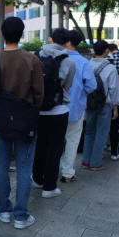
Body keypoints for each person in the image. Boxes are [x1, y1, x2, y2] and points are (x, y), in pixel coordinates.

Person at [0, 17, 44, 227]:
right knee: (24, 167)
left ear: (2, 33)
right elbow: (39, 94)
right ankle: (21, 215)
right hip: (26, 122)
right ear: (21, 33)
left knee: (0, 167)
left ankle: (3, 210)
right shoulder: (32, 60)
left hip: (0, 122)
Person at [33, 28, 76, 198]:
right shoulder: (70, 62)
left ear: (50, 39)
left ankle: (37, 179)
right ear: (67, 43)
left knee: (39, 145)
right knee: (55, 148)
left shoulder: (35, 56)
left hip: (37, 110)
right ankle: (49, 187)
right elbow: (67, 87)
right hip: (58, 111)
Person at [60, 30, 97, 183]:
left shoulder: (57, 58)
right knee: (72, 140)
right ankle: (67, 172)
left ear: (67, 41)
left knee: (54, 141)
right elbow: (91, 86)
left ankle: (48, 171)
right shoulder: (83, 62)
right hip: (75, 108)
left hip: (54, 108)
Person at [82, 41, 119, 170]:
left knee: (89, 131)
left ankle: (86, 161)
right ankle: (95, 163)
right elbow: (114, 89)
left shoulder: (87, 64)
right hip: (105, 104)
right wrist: (115, 107)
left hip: (89, 103)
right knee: (101, 133)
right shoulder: (110, 67)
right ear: (106, 51)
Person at [107, 54, 119, 161]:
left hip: (101, 105)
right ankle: (115, 153)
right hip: (117, 105)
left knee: (100, 130)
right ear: (113, 61)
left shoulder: (96, 70)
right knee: (115, 130)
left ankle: (100, 152)